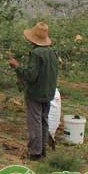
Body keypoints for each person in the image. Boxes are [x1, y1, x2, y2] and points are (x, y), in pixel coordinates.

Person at [9, 22, 58, 161]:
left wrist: (17, 66)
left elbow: (31, 76)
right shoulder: (52, 52)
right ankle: (42, 151)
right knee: (43, 120)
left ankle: (35, 153)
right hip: (49, 92)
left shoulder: (36, 53)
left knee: (35, 121)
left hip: (36, 93)